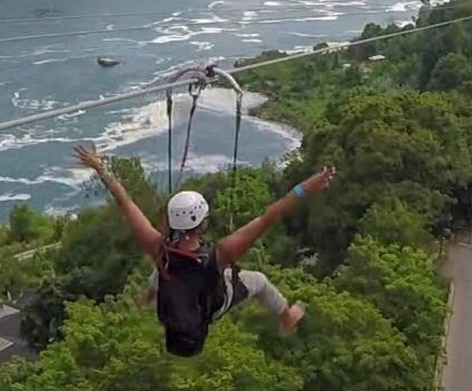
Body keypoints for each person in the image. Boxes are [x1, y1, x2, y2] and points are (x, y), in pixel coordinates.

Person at [74, 145, 335, 357]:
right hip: (209, 310)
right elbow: (270, 216)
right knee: (258, 281)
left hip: (173, 319)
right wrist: (305, 188)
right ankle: (287, 316)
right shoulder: (219, 255)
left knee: (160, 274)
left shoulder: (158, 247)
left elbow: (125, 202)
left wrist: (99, 166)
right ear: (203, 223)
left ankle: (147, 298)